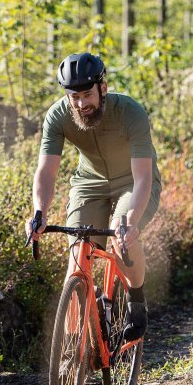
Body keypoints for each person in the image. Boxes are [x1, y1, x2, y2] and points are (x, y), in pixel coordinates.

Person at [26, 52, 162, 341]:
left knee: (121, 234)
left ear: (103, 88)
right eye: (73, 96)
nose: (81, 104)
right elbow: (46, 172)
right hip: (89, 183)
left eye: (87, 94)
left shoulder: (131, 112)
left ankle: (137, 302)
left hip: (132, 182)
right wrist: (39, 212)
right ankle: (72, 349)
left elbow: (143, 179)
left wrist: (130, 221)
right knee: (78, 256)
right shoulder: (59, 115)